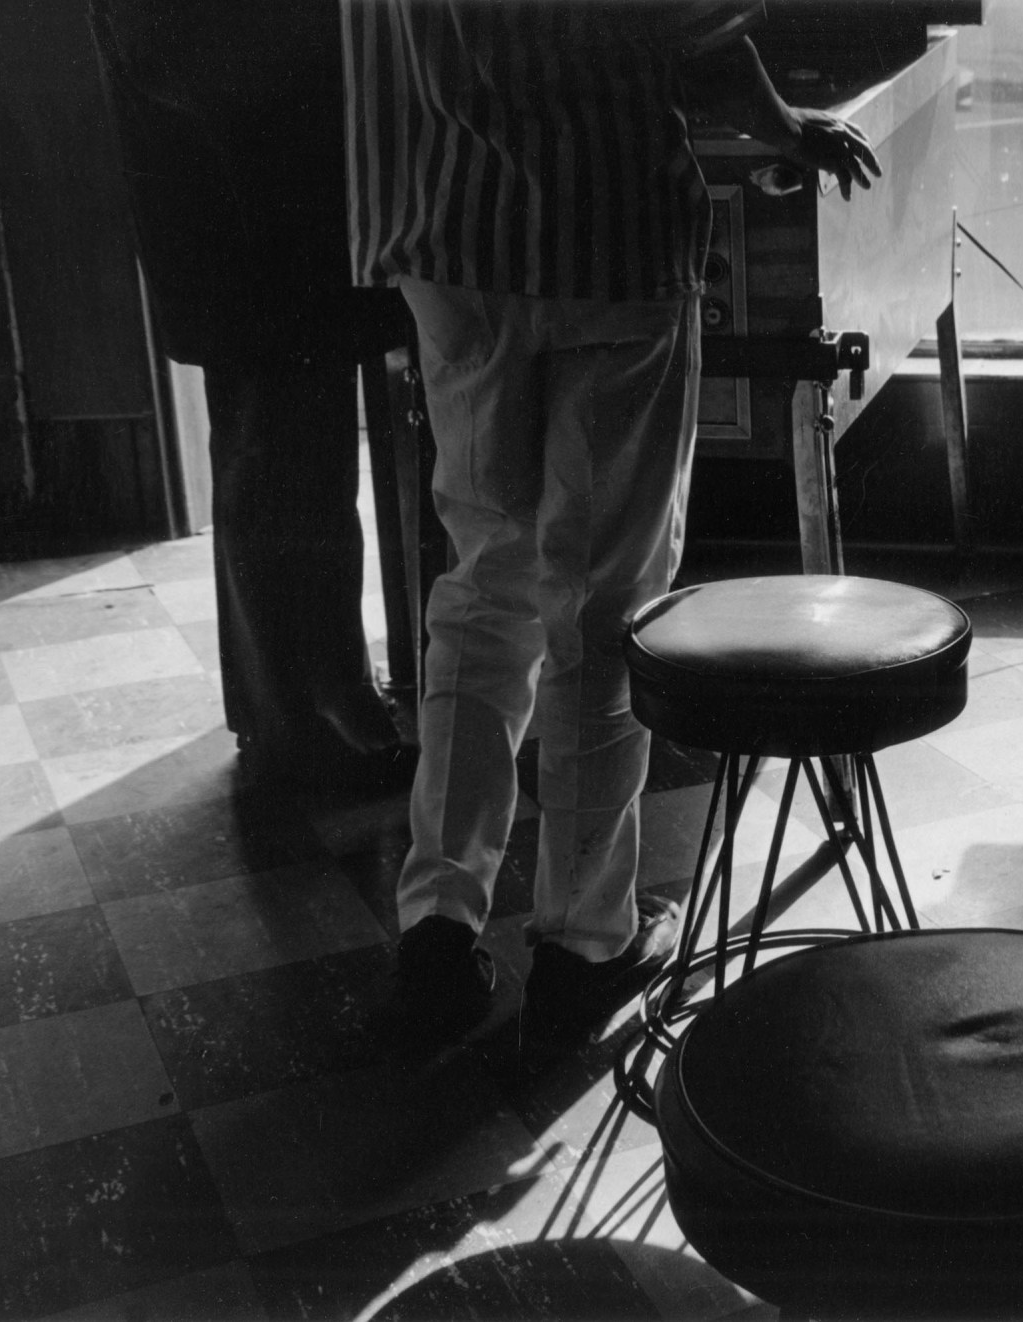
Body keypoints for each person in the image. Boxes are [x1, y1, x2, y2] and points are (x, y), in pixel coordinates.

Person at [344, 0, 881, 1064]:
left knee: (481, 589)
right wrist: (782, 127)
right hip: (609, 235)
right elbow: (697, 29)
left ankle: (439, 935)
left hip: (446, 234)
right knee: (598, 604)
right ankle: (583, 945)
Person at [87, 0, 416, 791]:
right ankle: (309, 720)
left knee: (298, 469)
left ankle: (311, 706)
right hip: (251, 229)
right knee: (285, 472)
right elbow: (185, 61)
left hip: (260, 225)